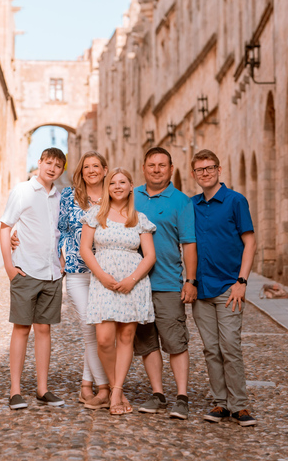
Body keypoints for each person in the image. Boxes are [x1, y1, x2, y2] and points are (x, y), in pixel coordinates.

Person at [79, 168, 157, 415]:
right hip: (103, 282)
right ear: (107, 187)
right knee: (104, 339)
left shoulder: (139, 218)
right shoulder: (95, 215)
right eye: (112, 182)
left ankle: (116, 392)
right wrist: (102, 276)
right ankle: (116, 390)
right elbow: (85, 250)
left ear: (131, 186)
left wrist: (132, 280)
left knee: (125, 338)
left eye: (122, 182)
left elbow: (150, 255)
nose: (117, 186)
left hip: (132, 284)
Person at [190, 149, 258, 427]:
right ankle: (220, 403)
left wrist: (242, 282)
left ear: (219, 169)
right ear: (194, 174)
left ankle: (239, 405)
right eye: (199, 169)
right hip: (201, 290)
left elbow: (250, 242)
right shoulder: (191, 205)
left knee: (230, 346)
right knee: (211, 349)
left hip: (229, 288)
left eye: (210, 168)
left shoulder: (235, 201)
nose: (205, 173)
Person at [0, 147, 66, 410]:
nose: (52, 168)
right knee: (21, 328)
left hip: (51, 273)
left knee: (44, 330)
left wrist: (61, 261)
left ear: (61, 170)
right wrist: (9, 267)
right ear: (39, 163)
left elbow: (61, 232)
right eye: (48, 163)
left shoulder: (59, 197)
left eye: (58, 166)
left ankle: (42, 388)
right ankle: (15, 390)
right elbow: (6, 228)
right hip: (25, 271)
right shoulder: (22, 191)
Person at [133, 147, 197, 420]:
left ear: (171, 169)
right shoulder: (130, 196)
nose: (156, 169)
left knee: (176, 342)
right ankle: (158, 393)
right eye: (151, 165)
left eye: (162, 165)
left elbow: (189, 244)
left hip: (168, 282)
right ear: (143, 168)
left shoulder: (181, 201)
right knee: (147, 343)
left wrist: (190, 281)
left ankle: (181, 397)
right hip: (135, 284)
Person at [58, 152, 111, 409]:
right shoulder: (69, 196)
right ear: (81, 171)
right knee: (88, 323)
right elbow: (60, 229)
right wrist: (59, 256)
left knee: (98, 330)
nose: (91, 170)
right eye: (86, 166)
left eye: (96, 166)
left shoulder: (113, 196)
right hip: (77, 272)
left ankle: (86, 386)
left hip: (105, 272)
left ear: (104, 170)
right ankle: (101, 387)